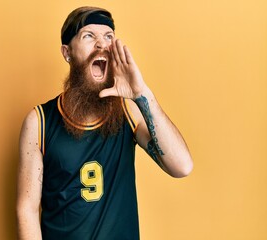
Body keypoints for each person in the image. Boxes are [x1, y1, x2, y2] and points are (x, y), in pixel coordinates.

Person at [17, 6, 193, 240]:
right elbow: (27, 209)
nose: (102, 44)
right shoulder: (39, 122)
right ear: (67, 52)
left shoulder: (128, 110)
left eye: (108, 36)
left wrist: (142, 93)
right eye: (89, 36)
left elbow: (182, 166)